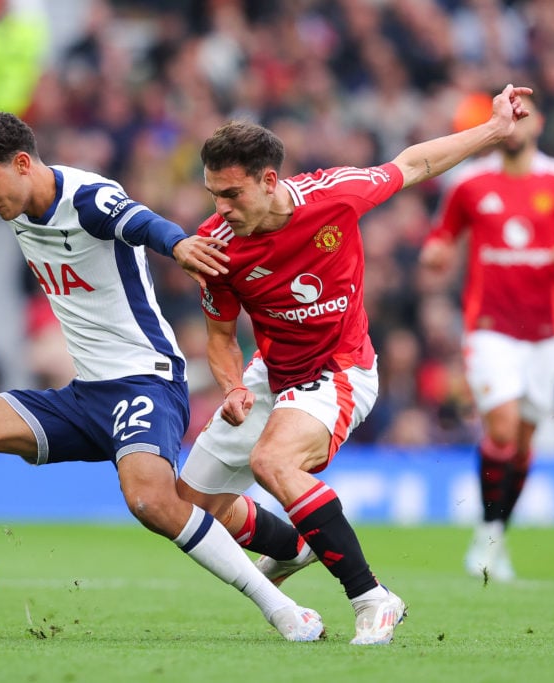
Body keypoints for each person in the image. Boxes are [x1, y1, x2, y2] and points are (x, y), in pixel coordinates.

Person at [0, 111, 324, 642]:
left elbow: (141, 221)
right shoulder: (8, 195)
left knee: (152, 499)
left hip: (145, 381)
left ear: (21, 164)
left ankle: (282, 608)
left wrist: (177, 245)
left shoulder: (86, 197)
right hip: (86, 395)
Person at [175, 84, 534, 646]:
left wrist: (493, 130)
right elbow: (221, 335)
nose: (220, 208)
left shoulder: (335, 196)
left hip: (339, 370)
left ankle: (373, 599)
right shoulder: (215, 245)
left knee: (274, 461)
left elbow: (412, 164)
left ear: (270, 181)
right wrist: (229, 386)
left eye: (231, 194)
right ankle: (297, 545)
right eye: (212, 194)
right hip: (270, 375)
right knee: (190, 507)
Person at [419, 93, 554, 580]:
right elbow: (443, 234)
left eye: (525, 114)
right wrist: (436, 253)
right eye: (509, 116)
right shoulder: (469, 183)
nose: (516, 123)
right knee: (500, 429)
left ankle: (493, 537)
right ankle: (485, 537)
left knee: (522, 446)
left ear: (539, 122)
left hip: (545, 334)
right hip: (489, 329)